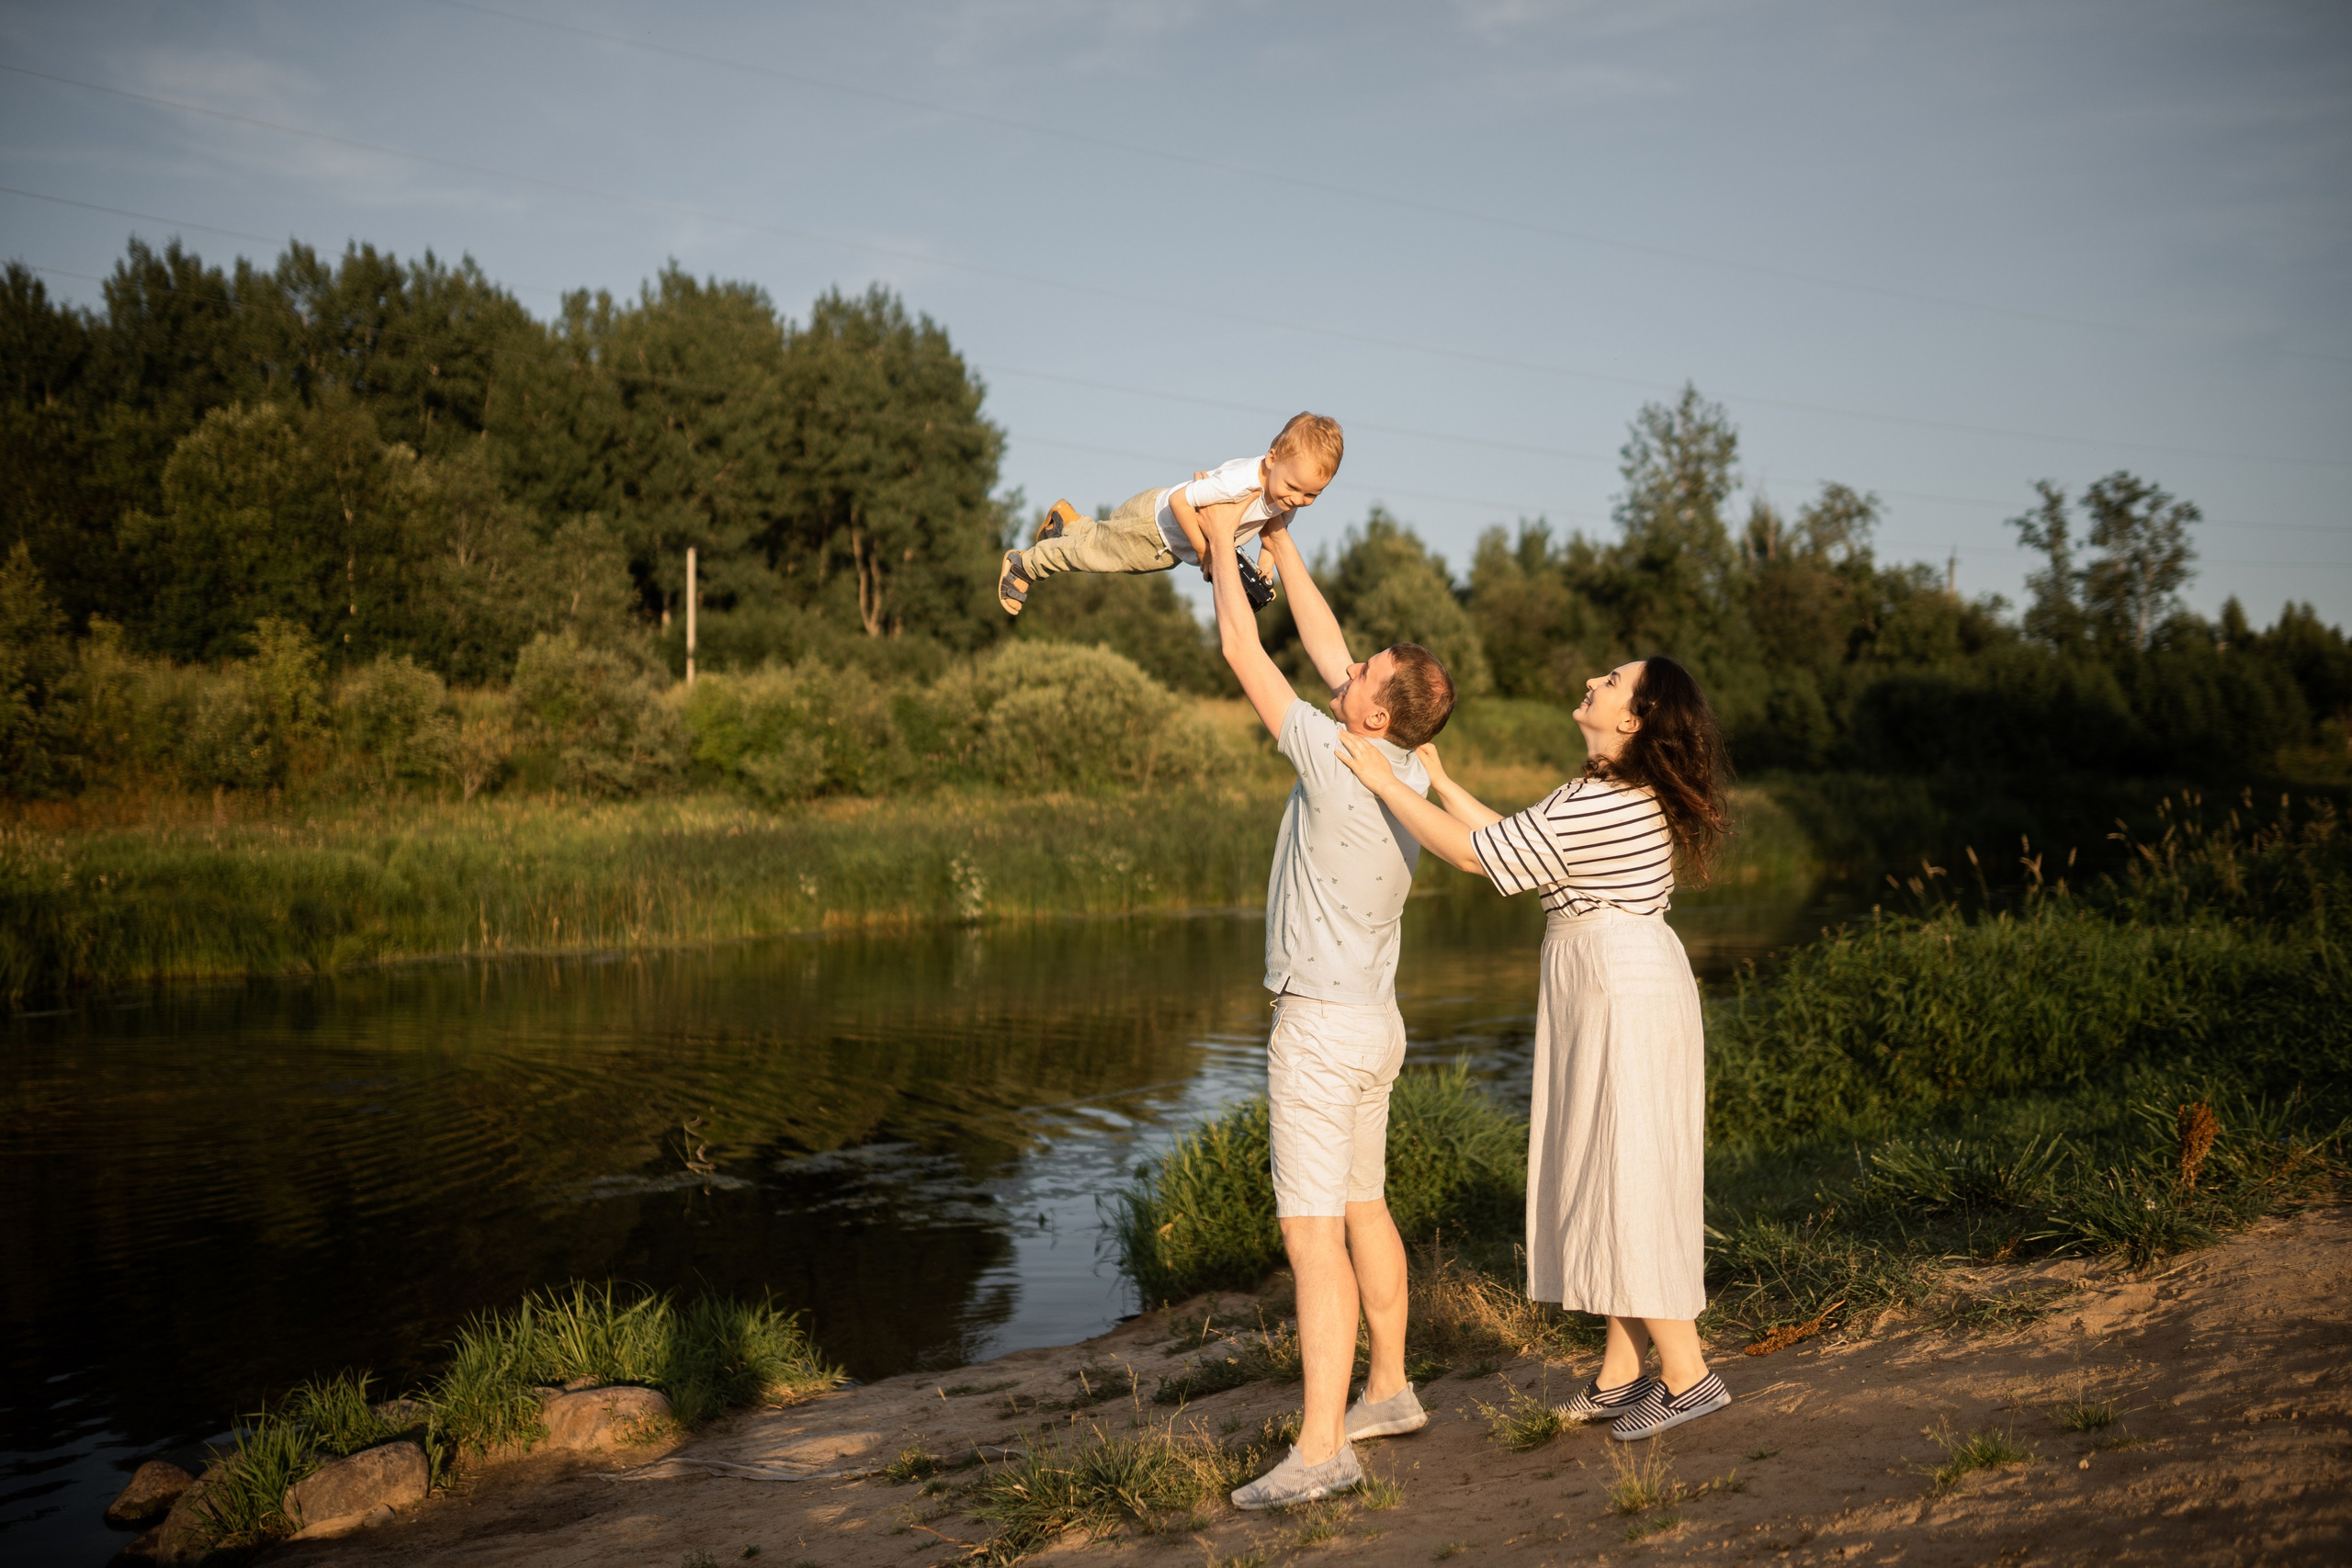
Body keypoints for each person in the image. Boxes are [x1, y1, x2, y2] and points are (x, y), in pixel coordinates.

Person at [1332, 656, 1736, 1444]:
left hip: (1620, 987)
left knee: (1627, 1170)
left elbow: (1477, 857)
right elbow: (1513, 841)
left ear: (1633, 720)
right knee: (1606, 1165)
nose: (1594, 680)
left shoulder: (1606, 800)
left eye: (1613, 681)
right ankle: (1623, 1371)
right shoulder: (1601, 792)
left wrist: (1385, 782)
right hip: (1609, 980)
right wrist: (1441, 784)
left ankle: (1689, 1376)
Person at [1193, 496, 1458, 1509]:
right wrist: (1279, 541)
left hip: (1316, 1029)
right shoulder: (1404, 769)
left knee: (1312, 1241)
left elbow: (1242, 649)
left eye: (1363, 675)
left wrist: (1222, 541)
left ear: (1376, 710)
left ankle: (1320, 1451)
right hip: (1375, 1026)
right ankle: (1387, 1390)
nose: (1345, 671)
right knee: (1363, 1208)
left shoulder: (1329, 752)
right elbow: (1327, 644)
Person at [996, 412, 1344, 617]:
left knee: (1099, 539)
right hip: (1155, 530)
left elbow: (1278, 521)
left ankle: (1066, 524)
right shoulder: (1240, 484)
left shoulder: (1282, 493)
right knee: (1092, 554)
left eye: (1312, 494)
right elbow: (1180, 501)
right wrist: (1207, 554)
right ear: (1272, 458)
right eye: (1294, 488)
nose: (1298, 499)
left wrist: (1267, 561)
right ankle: (1024, 565)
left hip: (1162, 534)